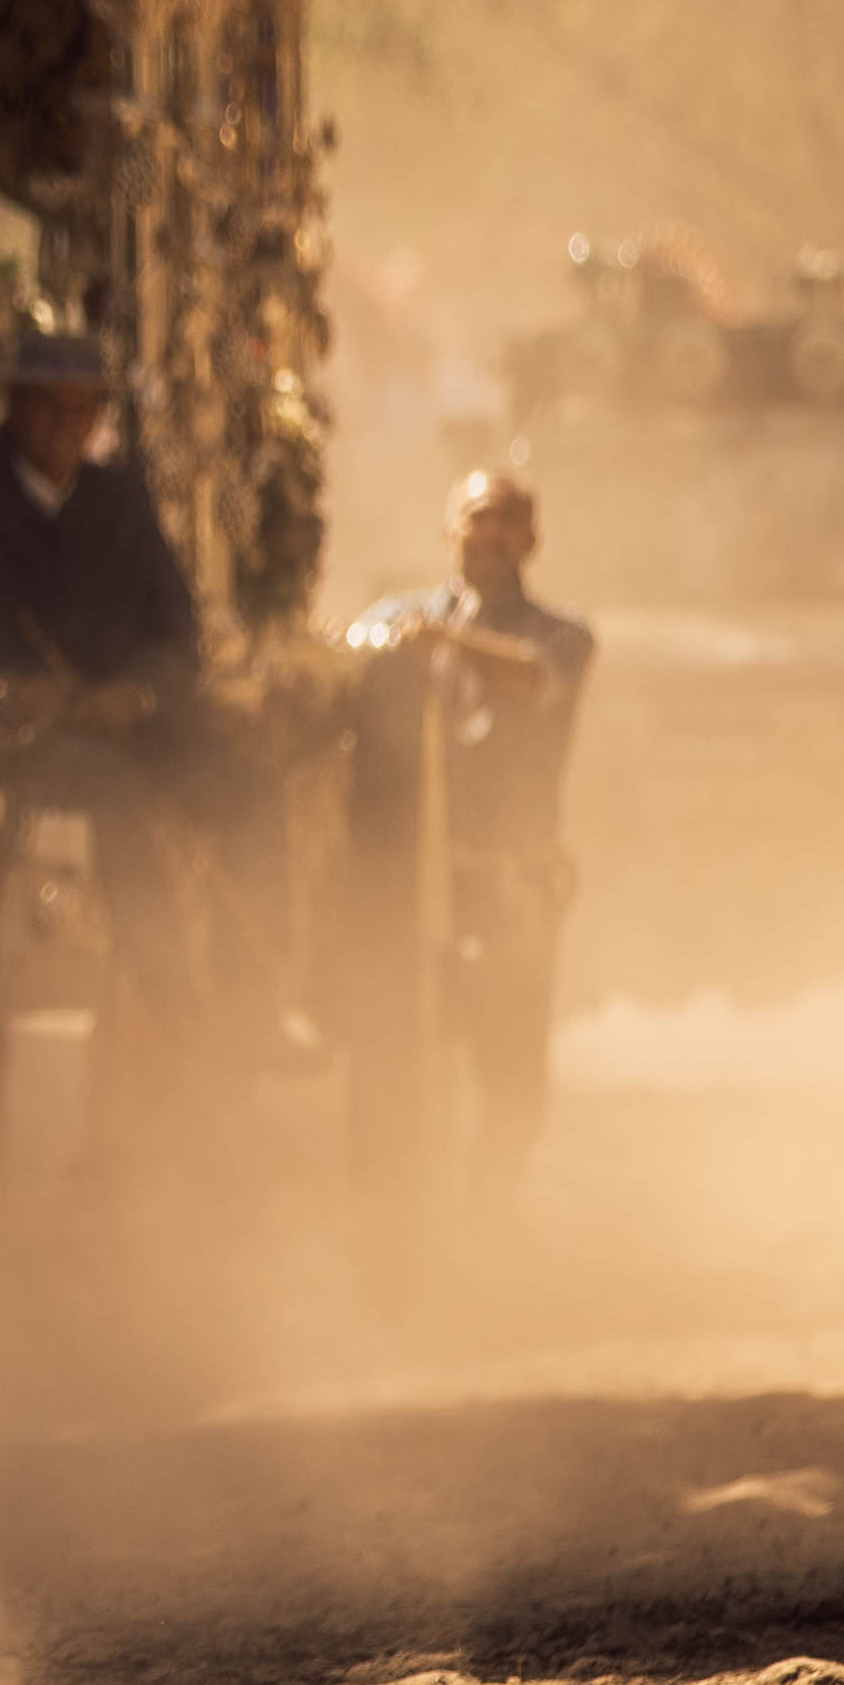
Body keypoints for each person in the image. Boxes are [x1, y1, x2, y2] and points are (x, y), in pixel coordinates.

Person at [340, 466, 597, 1191]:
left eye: (506, 519)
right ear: (449, 532)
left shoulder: (563, 634)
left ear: (532, 538)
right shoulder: (404, 616)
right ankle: (391, 1208)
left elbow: (535, 679)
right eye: (476, 518)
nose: (490, 534)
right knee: (393, 1033)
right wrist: (403, 640)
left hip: (513, 871)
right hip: (418, 870)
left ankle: (494, 1206)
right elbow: (352, 651)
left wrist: (445, 641)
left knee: (511, 1063)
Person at [0, 328, 201, 699]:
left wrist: (135, 693)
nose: (64, 423)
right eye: (47, 405)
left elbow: (175, 628)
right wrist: (6, 691)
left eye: (80, 409)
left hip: (121, 728)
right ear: (15, 404)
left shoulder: (123, 503)